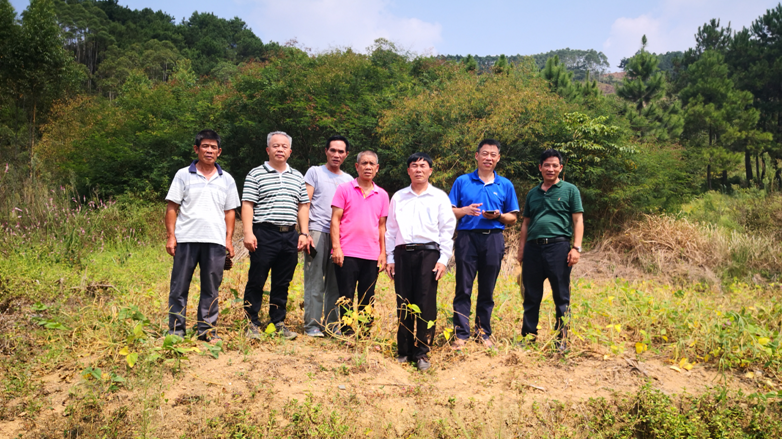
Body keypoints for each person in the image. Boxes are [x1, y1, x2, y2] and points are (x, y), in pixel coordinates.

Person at [164, 129, 240, 342]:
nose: (209, 150)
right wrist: (171, 236)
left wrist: (228, 240)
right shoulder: (183, 175)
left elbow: (230, 212)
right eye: (205, 146)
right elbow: (172, 207)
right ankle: (176, 331)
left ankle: (206, 331)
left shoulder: (227, 179)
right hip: (186, 238)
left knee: (211, 288)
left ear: (219, 151)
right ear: (197, 149)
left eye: (213, 147)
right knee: (179, 287)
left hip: (215, 241)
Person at [385, 152, 456, 371]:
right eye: (414, 166)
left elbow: (447, 230)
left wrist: (443, 260)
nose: (418, 169)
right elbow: (390, 230)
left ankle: (422, 351)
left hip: (429, 254)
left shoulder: (439, 197)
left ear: (430, 170)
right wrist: (390, 258)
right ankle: (404, 350)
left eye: (422, 166)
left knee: (426, 302)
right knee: (404, 301)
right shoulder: (398, 197)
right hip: (403, 253)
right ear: (408, 171)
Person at [449, 139, 519, 350]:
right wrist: (465, 211)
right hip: (466, 238)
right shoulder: (462, 181)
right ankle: (461, 334)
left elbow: (513, 217)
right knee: (463, 286)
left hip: (493, 239)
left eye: (493, 154)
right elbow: (450, 210)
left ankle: (483, 332)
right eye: (485, 153)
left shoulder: (505, 184)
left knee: (487, 288)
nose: (489, 158)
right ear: (476, 156)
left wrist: (499, 216)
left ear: (498, 158)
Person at [241, 131, 311, 340]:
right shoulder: (256, 174)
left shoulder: (297, 176)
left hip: (290, 235)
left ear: (290, 151)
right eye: (275, 145)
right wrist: (248, 232)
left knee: (282, 281)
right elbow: (247, 205)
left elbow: (303, 206)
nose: (279, 149)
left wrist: (304, 232)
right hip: (264, 234)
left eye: (283, 146)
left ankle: (278, 321)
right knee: (257, 278)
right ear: (268, 149)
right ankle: (251, 322)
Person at [517, 149, 584, 351]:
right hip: (533, 250)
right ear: (540, 167)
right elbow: (526, 224)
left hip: (559, 247)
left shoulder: (570, 190)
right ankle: (528, 338)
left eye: (555, 165)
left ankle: (561, 339)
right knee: (531, 295)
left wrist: (576, 248)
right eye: (547, 165)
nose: (551, 168)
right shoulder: (532, 193)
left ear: (560, 168)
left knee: (561, 295)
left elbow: (578, 220)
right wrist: (521, 250)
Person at [330, 151, 389, 337]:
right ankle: (346, 331)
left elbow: (381, 226)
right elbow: (335, 220)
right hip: (346, 252)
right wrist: (336, 247)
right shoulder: (344, 189)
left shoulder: (382, 195)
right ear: (357, 166)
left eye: (372, 164)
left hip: (371, 254)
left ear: (377, 168)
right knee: (346, 295)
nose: (368, 167)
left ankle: (364, 333)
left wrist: (383, 253)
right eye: (364, 163)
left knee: (367, 296)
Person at [301, 136, 354, 337]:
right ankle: (312, 324)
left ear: (346, 155)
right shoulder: (315, 172)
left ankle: (332, 325)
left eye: (341, 152)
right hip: (316, 230)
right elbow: (305, 204)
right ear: (326, 151)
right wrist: (305, 233)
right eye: (333, 150)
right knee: (315, 281)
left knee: (335, 283)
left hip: (340, 237)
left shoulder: (349, 179)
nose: (336, 155)